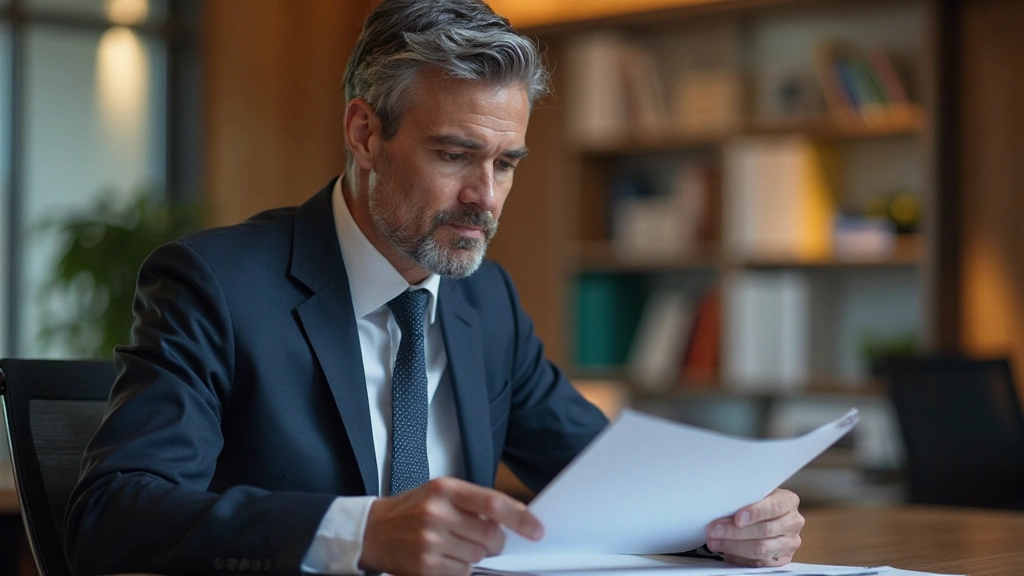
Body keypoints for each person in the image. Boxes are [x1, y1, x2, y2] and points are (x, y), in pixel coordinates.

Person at [64, 1, 804, 575]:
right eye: (455, 154)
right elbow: (114, 514)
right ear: (364, 134)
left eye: (506, 163)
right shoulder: (216, 285)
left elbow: (610, 484)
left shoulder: (487, 302)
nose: (485, 197)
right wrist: (360, 533)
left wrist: (730, 521)